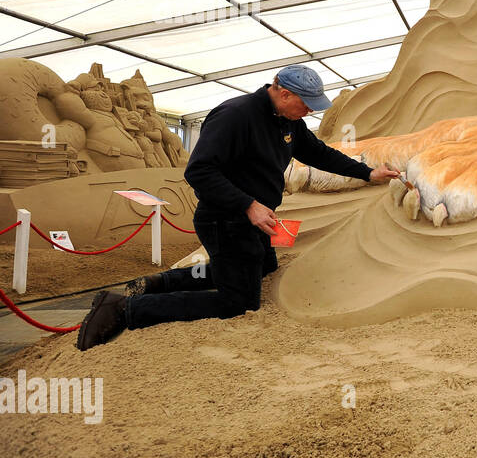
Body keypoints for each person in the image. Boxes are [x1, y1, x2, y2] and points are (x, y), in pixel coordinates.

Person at [75, 65, 400, 350]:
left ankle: (161, 283)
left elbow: (318, 153)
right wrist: (248, 205)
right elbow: (199, 172)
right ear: (284, 94)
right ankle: (123, 309)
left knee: (263, 268)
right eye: (306, 104)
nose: (310, 112)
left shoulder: (288, 121)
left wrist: (367, 172)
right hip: (225, 219)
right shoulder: (235, 116)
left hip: (254, 220)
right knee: (238, 301)